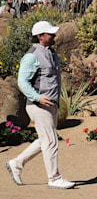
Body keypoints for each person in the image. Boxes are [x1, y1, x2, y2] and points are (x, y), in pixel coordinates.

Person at [6, 21, 75, 190]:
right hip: (39, 105)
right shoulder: (32, 56)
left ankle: (16, 163)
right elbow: (22, 81)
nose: (53, 36)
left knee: (45, 139)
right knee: (51, 141)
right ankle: (54, 177)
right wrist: (37, 98)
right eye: (50, 34)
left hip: (50, 104)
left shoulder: (51, 52)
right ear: (40, 36)